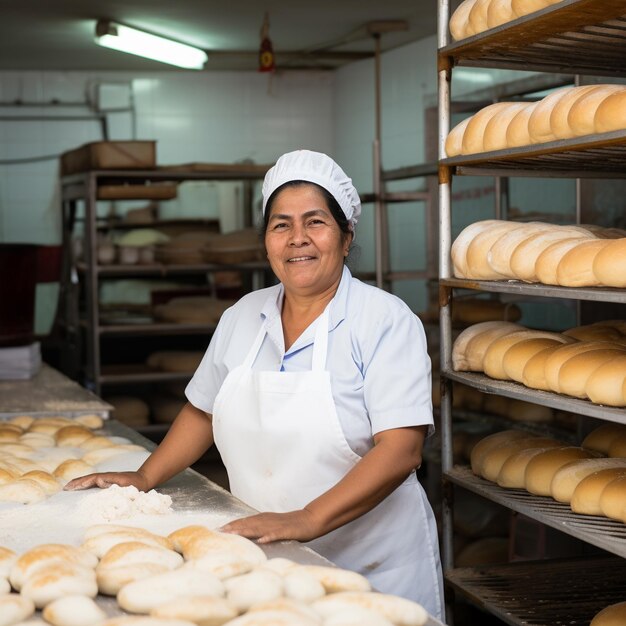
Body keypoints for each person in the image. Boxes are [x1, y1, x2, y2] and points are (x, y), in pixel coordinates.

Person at [66, 149, 444, 618]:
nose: (297, 239)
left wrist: (307, 518)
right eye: (281, 224)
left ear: (346, 237)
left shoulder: (384, 321)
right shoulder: (243, 316)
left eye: (315, 222)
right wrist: (145, 477)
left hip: (371, 564)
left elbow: (401, 449)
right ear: (266, 240)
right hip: (267, 558)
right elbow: (203, 410)